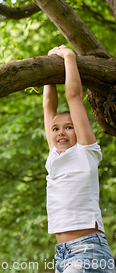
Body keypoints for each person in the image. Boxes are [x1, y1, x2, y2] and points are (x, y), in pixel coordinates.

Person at [43, 45, 115, 273]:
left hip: (88, 251)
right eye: (55, 128)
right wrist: (46, 73)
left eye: (69, 127)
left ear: (79, 131)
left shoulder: (86, 151)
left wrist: (68, 56)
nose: (60, 132)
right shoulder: (54, 156)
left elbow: (73, 96)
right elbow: (48, 105)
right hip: (63, 255)